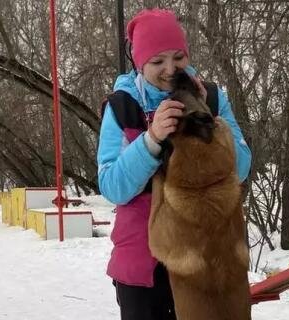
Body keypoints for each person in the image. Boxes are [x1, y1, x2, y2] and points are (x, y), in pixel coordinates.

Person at [96, 8, 252, 320]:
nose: (170, 68)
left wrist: (205, 115)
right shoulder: (122, 106)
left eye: (178, 57)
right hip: (143, 266)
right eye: (157, 61)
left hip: (209, 261)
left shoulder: (210, 97)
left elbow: (243, 166)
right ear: (140, 63)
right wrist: (150, 139)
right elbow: (113, 186)